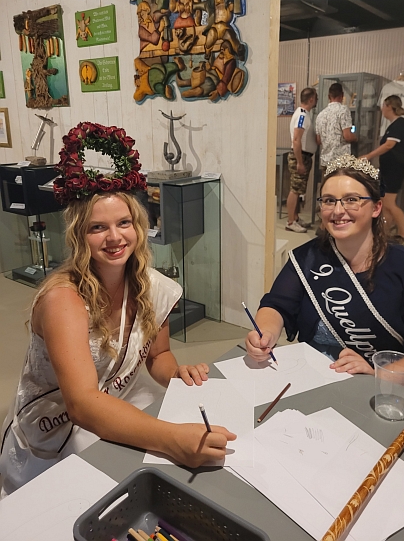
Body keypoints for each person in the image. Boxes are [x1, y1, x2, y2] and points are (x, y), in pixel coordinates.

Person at [0, 134, 236, 496]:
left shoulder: (151, 285)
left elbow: (159, 355)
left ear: (139, 226)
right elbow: (82, 405)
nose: (114, 237)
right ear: (79, 234)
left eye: (124, 223)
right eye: (98, 227)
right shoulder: (63, 300)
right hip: (52, 437)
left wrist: (176, 373)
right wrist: (172, 440)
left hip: (116, 410)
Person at [245, 155, 404, 398]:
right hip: (311, 380)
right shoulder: (306, 258)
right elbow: (277, 305)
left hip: (381, 394)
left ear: (376, 208)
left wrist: (376, 373)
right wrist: (265, 333)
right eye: (329, 201)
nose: (338, 210)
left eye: (352, 200)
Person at [361, 95, 404, 243]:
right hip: (388, 169)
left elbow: (389, 145)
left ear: (390, 106)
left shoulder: (400, 124)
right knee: (384, 202)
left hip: (395, 169)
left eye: (383, 106)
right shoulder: (393, 125)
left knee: (389, 203)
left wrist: (369, 156)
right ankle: (385, 232)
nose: (382, 109)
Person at [285, 87, 318, 233]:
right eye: (315, 98)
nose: (316, 101)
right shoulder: (302, 115)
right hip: (300, 155)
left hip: (304, 156)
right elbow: (296, 139)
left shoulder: (303, 114)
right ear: (311, 99)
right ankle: (290, 222)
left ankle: (295, 217)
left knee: (298, 189)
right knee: (295, 190)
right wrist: (299, 162)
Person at [315, 82, 358, 170]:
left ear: (328, 96)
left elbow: (318, 140)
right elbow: (347, 136)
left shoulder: (320, 115)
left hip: (325, 161)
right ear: (342, 95)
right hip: (340, 162)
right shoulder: (343, 110)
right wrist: (356, 138)